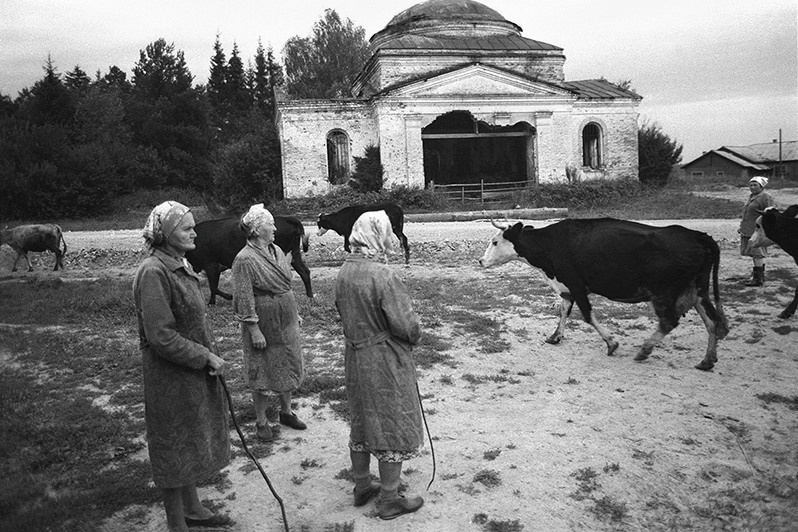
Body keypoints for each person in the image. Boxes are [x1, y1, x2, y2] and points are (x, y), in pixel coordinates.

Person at [132, 201, 231, 532]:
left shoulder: (179, 263)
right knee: (172, 443)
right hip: (169, 375)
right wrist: (205, 356)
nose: (194, 232)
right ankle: (177, 523)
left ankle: (193, 509)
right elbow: (160, 336)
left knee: (187, 437)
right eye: (186, 228)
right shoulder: (153, 272)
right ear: (165, 234)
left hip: (186, 371)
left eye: (192, 226)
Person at [334, 210, 425, 520]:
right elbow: (404, 325)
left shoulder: (345, 270)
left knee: (361, 419)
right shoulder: (383, 275)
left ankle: (361, 486)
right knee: (390, 422)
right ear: (379, 235)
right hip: (383, 357)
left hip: (355, 355)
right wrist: (415, 331)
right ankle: (388, 499)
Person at [232, 203, 306, 441]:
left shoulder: (276, 250)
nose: (274, 227)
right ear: (255, 229)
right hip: (264, 320)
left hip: (286, 315)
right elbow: (243, 296)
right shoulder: (244, 259)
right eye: (270, 223)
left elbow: (285, 284)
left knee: (287, 360)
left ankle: (286, 412)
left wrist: (293, 313)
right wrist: (254, 329)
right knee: (262, 367)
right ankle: (261, 420)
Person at [739, 176, 776, 286]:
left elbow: (771, 213)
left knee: (757, 253)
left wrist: (766, 229)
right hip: (748, 229)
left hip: (758, 230)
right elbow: (747, 213)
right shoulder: (752, 196)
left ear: (761, 186)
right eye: (751, 185)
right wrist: (742, 226)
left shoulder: (765, 197)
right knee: (754, 253)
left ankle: (758, 279)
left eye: (755, 185)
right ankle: (759, 276)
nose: (752, 187)